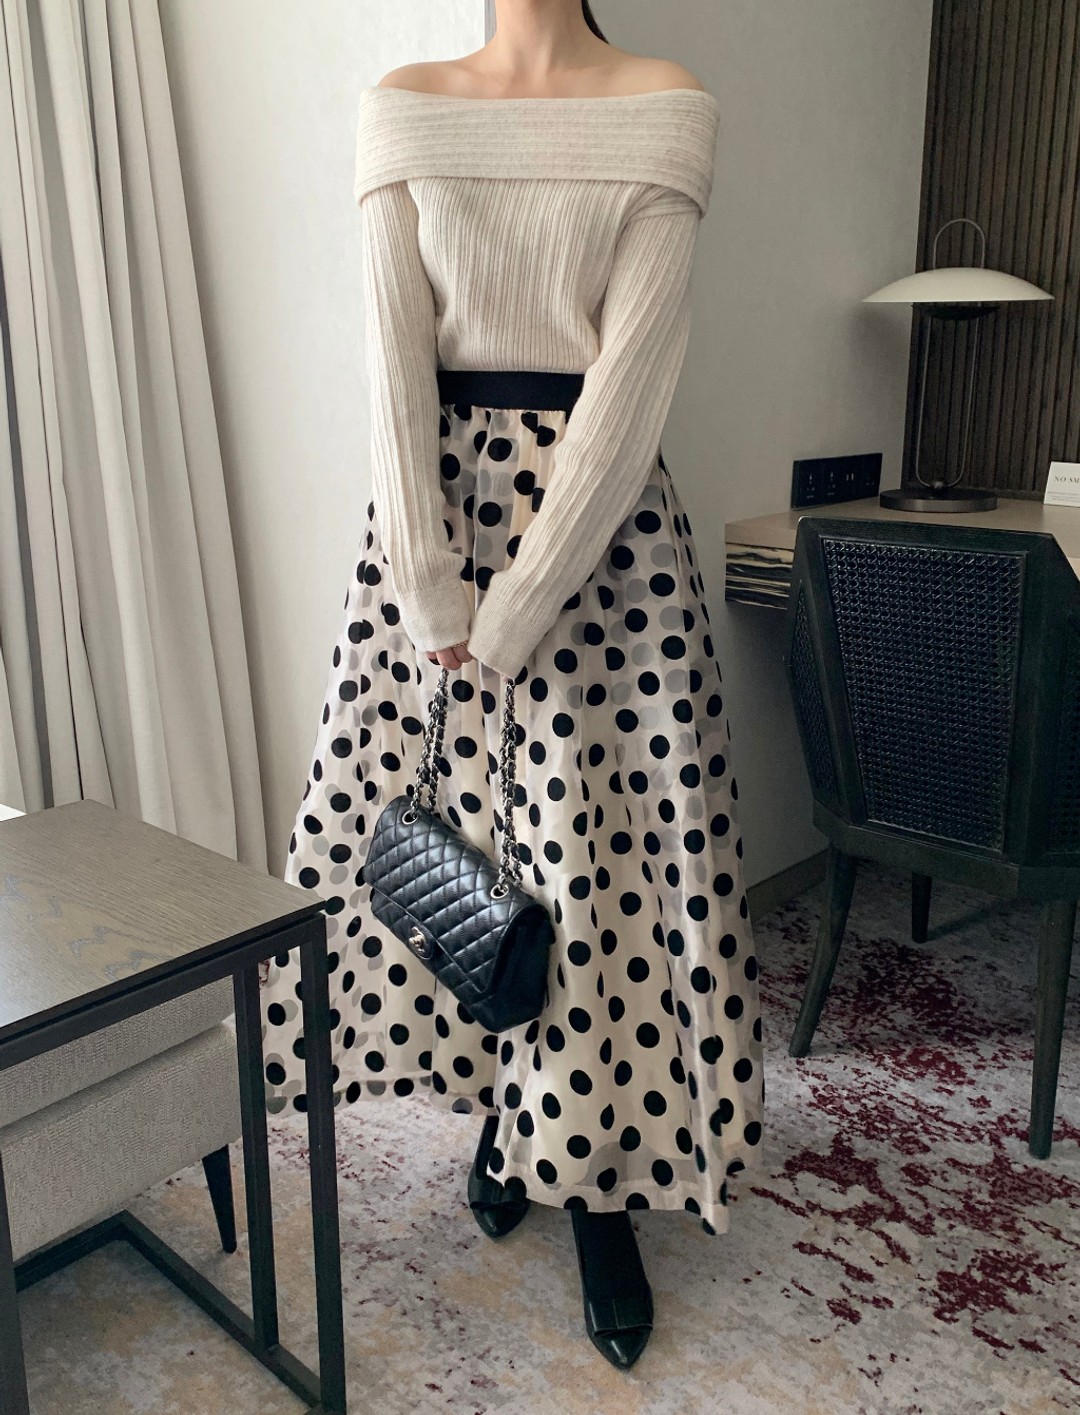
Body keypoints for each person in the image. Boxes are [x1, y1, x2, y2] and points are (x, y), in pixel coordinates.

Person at [261, 0, 764, 1371]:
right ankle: (506, 1113)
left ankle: (595, 1185)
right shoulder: (404, 107)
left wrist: (521, 605)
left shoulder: (664, 107)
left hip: (605, 563)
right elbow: (393, 371)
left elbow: (629, 390)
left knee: (597, 876)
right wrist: (432, 592)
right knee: (466, 859)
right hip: (429, 544)